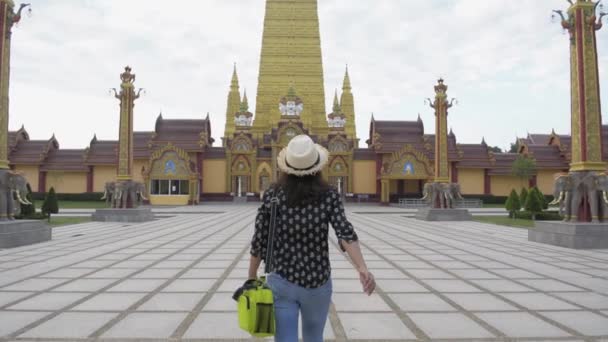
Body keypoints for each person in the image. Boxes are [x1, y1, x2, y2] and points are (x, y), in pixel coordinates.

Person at [248, 134, 375, 342]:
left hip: (282, 281)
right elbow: (345, 232)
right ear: (316, 166)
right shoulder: (329, 195)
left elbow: (259, 240)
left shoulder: (273, 194)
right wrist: (362, 267)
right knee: (314, 338)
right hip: (318, 283)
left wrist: (252, 277)